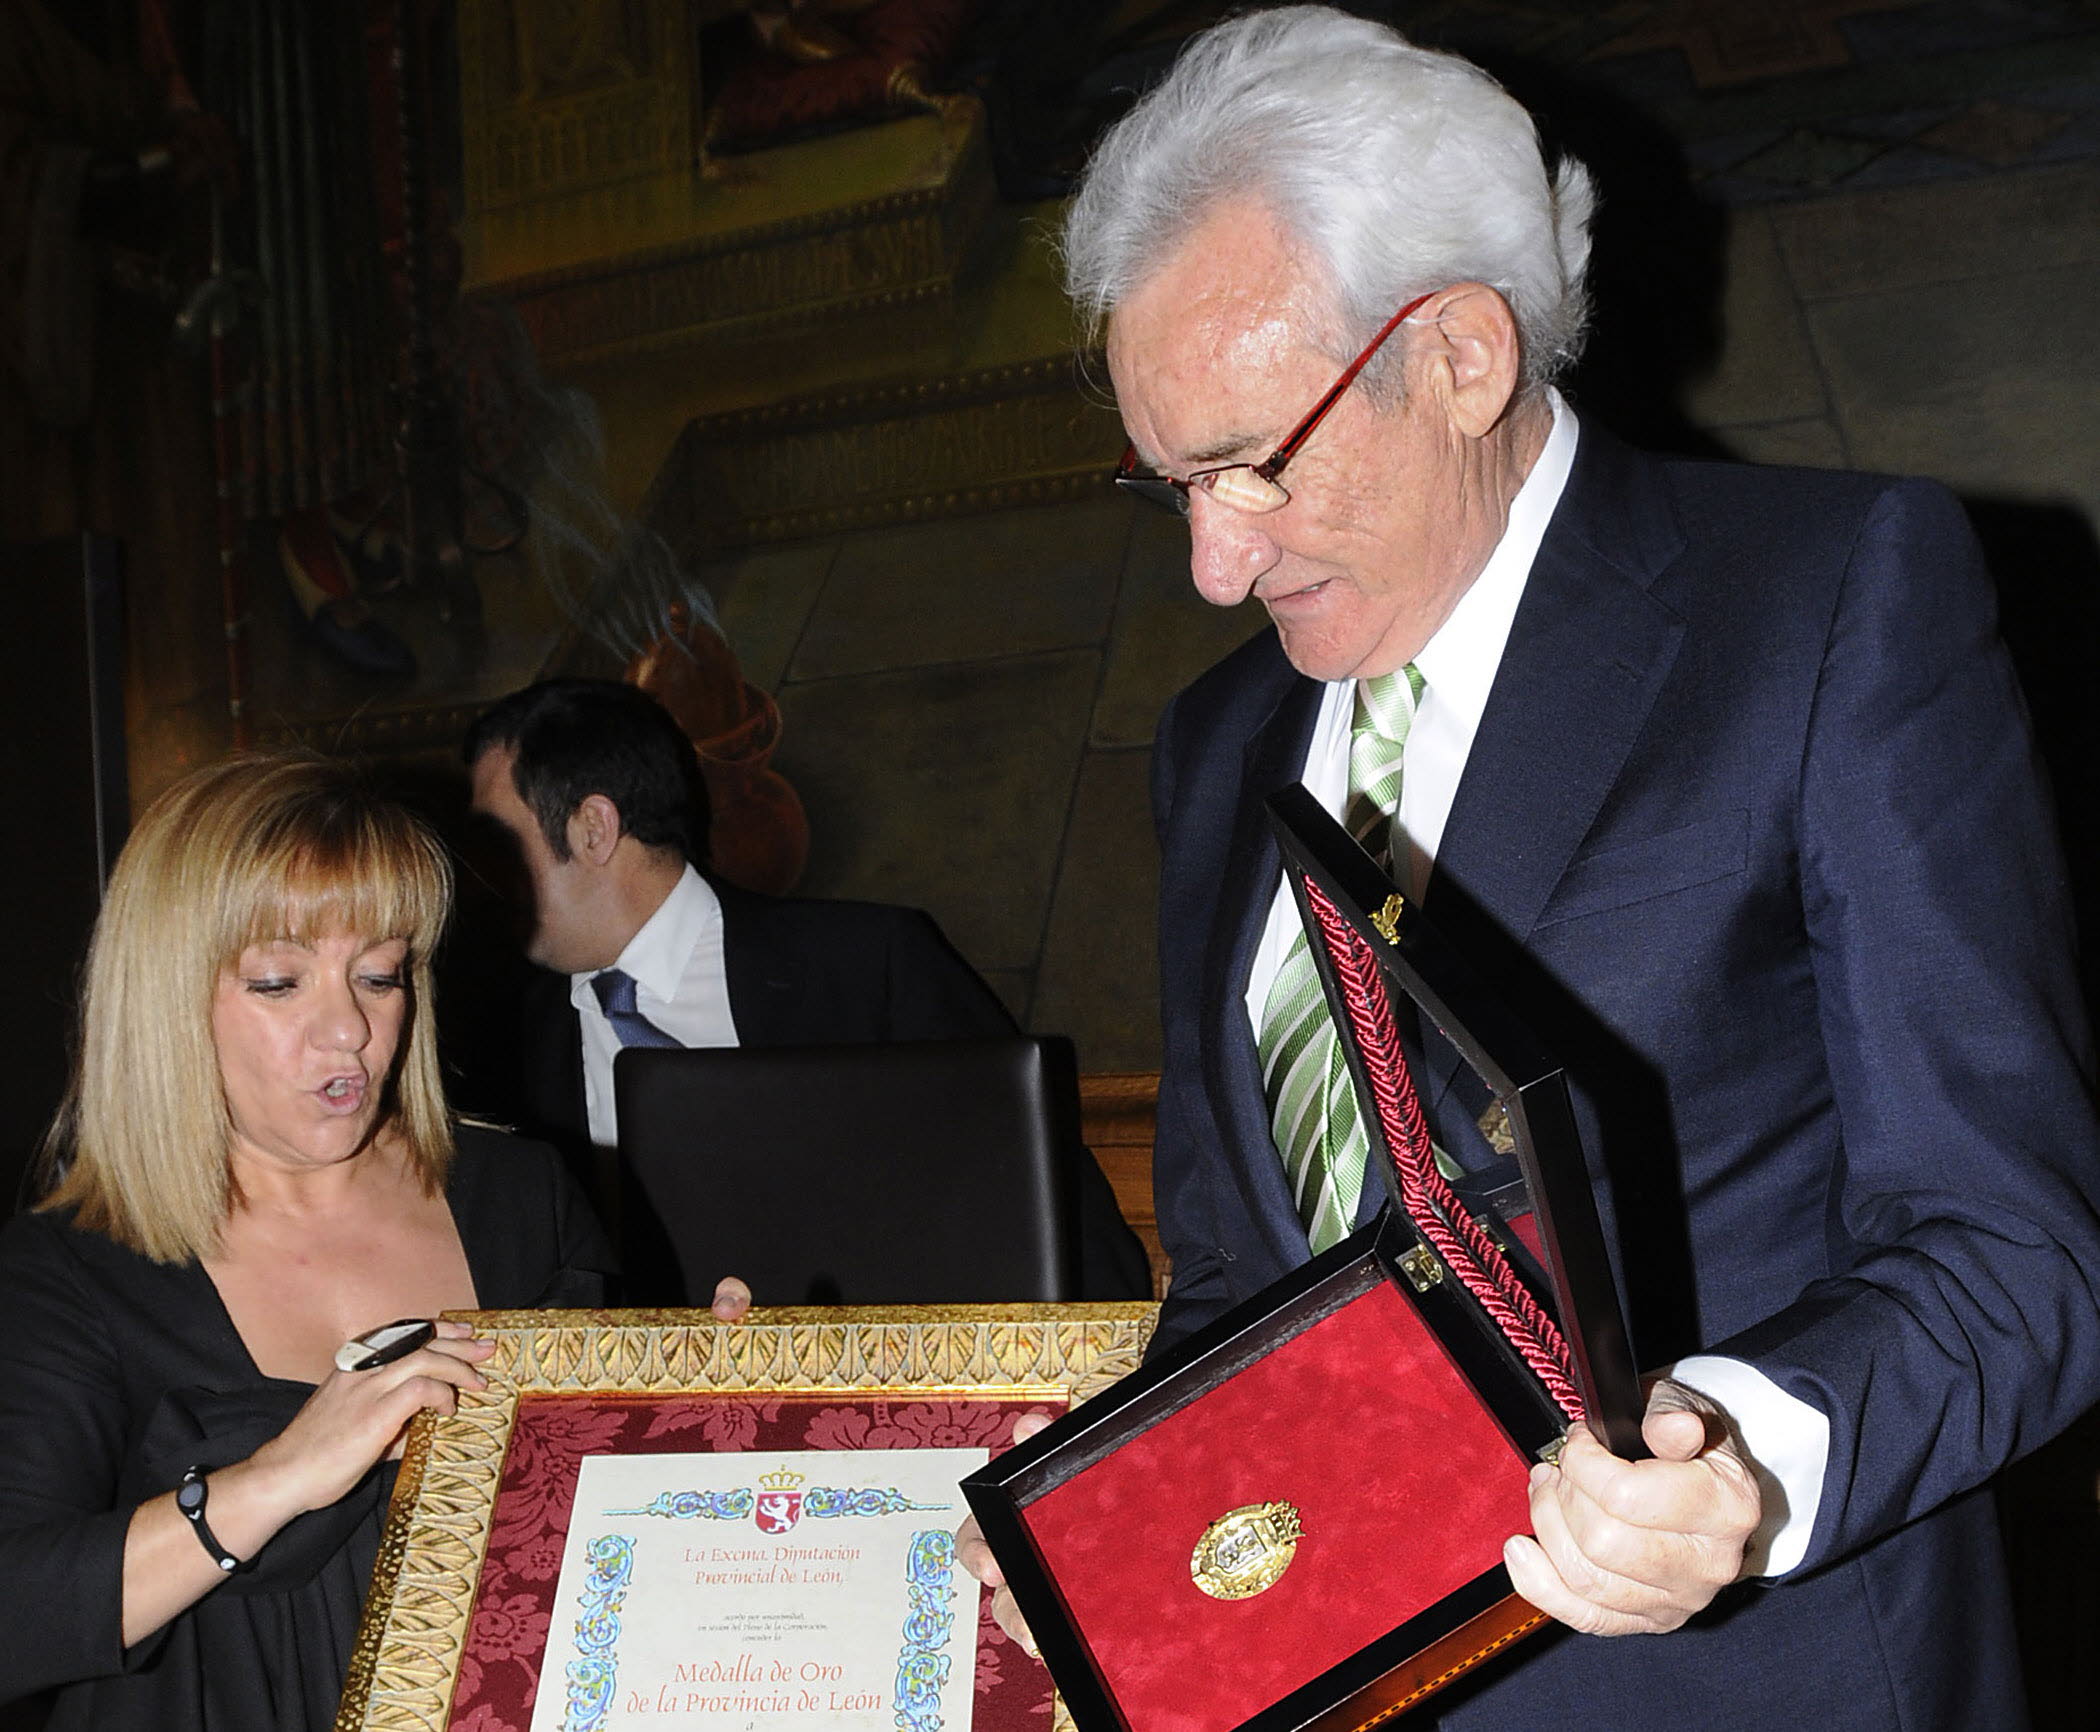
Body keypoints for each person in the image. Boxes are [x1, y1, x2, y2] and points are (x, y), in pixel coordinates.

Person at [961, 9, 2100, 1728]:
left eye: (1252, 462)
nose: (1212, 561)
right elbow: (1241, 1270)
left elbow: (2020, 1250)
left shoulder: (1829, 606)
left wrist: (1741, 1462)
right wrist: (1118, 1523)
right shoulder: (1217, 747)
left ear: (1464, 356)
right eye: (1172, 480)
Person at [0, 752, 703, 1732]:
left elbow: (595, 1529)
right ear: (165, 999)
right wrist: (281, 1476)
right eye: (280, 982)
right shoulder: (70, 1268)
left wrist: (710, 1412)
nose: (349, 1031)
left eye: (380, 973)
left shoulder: (517, 1193)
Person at [463, 678, 1151, 1301]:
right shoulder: (499, 1055)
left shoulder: (867, 967)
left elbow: (1050, 1206)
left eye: (497, 840)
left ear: (593, 828)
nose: (481, 876)